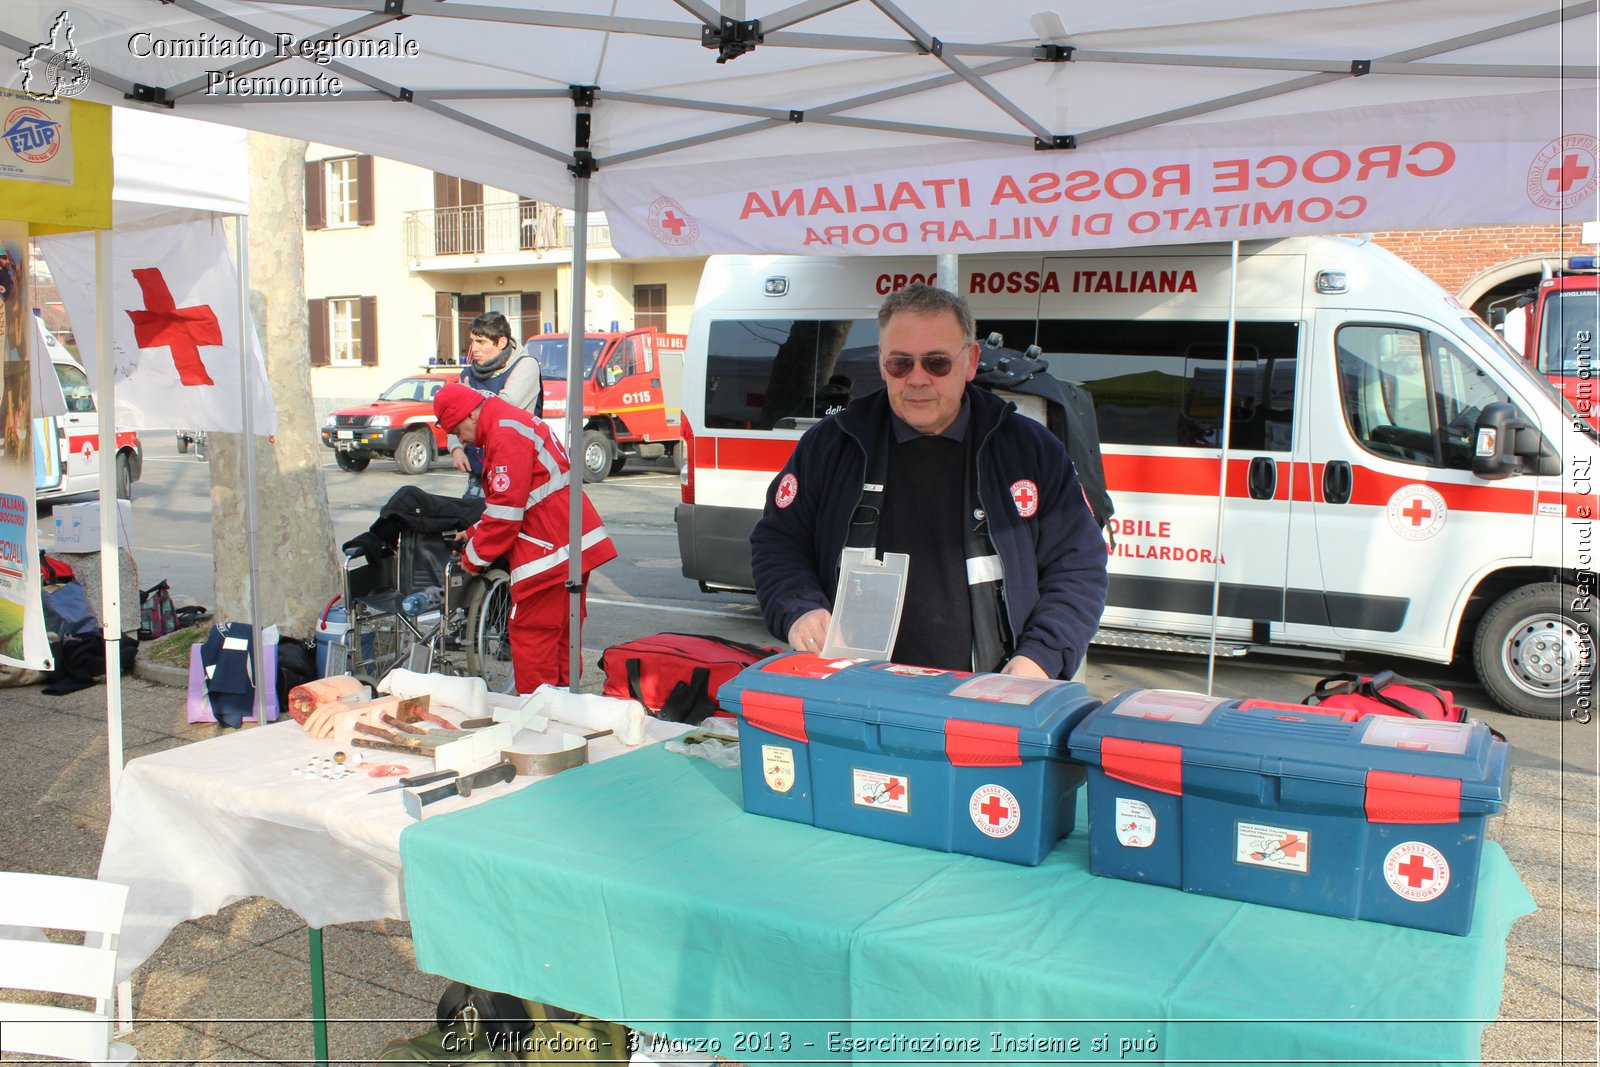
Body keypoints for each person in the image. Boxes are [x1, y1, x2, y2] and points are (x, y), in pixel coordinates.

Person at [750, 283, 1108, 678]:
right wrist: (799, 607)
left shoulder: (1031, 450)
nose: (917, 379)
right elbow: (778, 541)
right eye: (900, 363)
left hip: (990, 692)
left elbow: (1078, 567)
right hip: (853, 687)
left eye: (936, 362)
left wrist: (1040, 658)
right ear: (881, 362)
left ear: (970, 361)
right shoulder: (832, 444)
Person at [432, 382, 616, 693]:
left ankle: (539, 718)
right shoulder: (510, 422)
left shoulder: (504, 433)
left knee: (532, 635)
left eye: (457, 430)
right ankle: (563, 708)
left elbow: (507, 512)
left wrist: (472, 559)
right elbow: (523, 497)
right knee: (561, 637)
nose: (460, 439)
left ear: (470, 415)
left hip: (548, 550)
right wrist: (476, 531)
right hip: (568, 542)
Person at [447, 311, 543, 496]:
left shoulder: (526, 365)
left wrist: (469, 397)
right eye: (472, 341)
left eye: (481, 342)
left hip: (516, 468)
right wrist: (456, 449)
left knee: (506, 521)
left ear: (501, 342)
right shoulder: (467, 374)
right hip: (479, 470)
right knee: (472, 521)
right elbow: (455, 416)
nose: (474, 348)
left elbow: (504, 407)